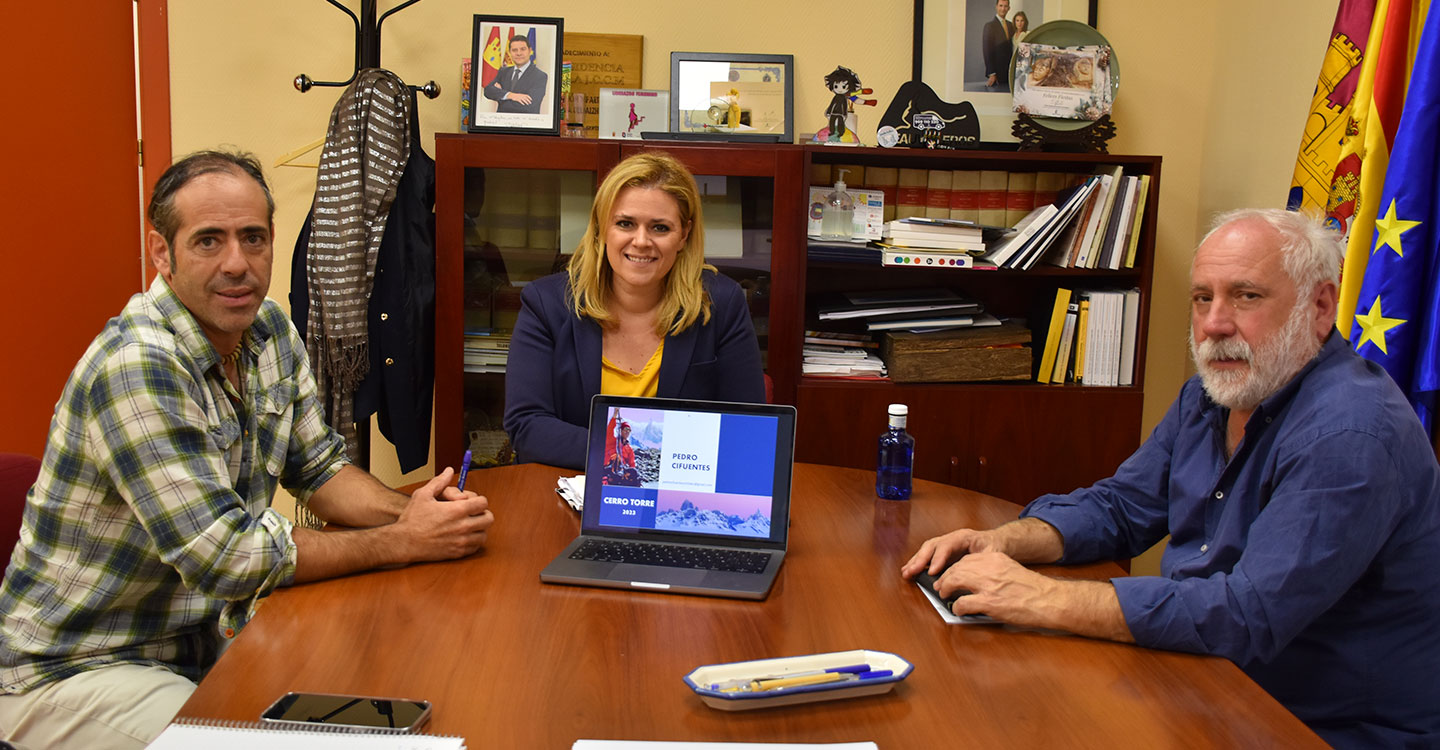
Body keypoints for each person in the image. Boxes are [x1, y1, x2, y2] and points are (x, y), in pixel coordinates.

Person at [0, 151, 495, 750]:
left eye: (252, 238)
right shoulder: (139, 365)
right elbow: (226, 559)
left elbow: (319, 467)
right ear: (162, 252)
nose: (238, 264)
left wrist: (418, 514)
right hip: (79, 669)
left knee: (391, 692)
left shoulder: (268, 330)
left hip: (201, 641)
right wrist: (402, 541)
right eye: (209, 241)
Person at [901, 208, 1440, 747]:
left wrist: (1041, 599)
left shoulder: (1351, 433)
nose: (1214, 323)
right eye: (1203, 297)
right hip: (1205, 679)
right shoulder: (1214, 394)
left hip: (1316, 727)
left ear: (1319, 307)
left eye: (1246, 296)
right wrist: (1002, 541)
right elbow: (1120, 507)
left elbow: (1248, 616)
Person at [503, 152, 766, 470]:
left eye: (660, 228)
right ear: (601, 228)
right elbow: (527, 426)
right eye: (625, 223)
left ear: (683, 234)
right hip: (570, 488)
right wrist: (633, 458)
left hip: (679, 493)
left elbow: (747, 426)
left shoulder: (721, 303)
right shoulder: (546, 303)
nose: (641, 241)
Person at [483, 35, 548, 114]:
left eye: (523, 49)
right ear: (510, 52)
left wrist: (501, 96)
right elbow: (487, 91)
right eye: (514, 50)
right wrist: (510, 95)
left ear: (530, 50)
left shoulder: (540, 76)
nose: (519, 53)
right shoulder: (503, 72)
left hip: (526, 123)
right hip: (501, 122)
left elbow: (529, 106)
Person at [981, 0, 1015, 92]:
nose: (1003, 9)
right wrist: (992, 73)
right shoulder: (989, 26)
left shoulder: (1011, 25)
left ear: (1009, 8)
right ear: (996, 7)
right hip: (997, 73)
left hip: (1010, 72)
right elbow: (987, 51)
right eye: (1000, 6)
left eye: (1005, 6)